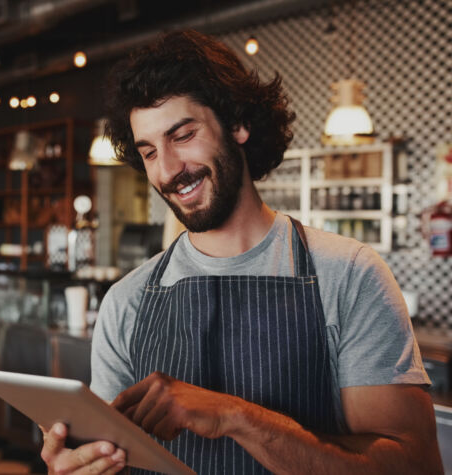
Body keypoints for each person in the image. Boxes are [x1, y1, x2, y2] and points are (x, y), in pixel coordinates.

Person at [41, 30, 442, 474]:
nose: (169, 170)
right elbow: (111, 452)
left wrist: (237, 417)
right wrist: (81, 464)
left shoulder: (349, 275)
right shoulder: (127, 301)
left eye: (184, 134)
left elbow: (414, 465)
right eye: (150, 151)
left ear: (237, 125)